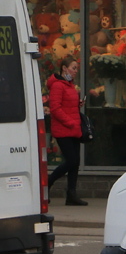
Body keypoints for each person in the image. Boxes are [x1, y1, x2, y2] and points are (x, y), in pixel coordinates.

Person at [46, 56, 88, 206]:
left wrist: (78, 104)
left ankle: (71, 194)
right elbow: (55, 108)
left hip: (73, 128)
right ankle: (48, 182)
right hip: (64, 129)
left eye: (76, 68)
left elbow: (67, 106)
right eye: (73, 68)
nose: (75, 71)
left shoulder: (69, 85)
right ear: (64, 68)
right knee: (71, 160)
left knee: (75, 162)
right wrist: (70, 122)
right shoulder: (58, 86)